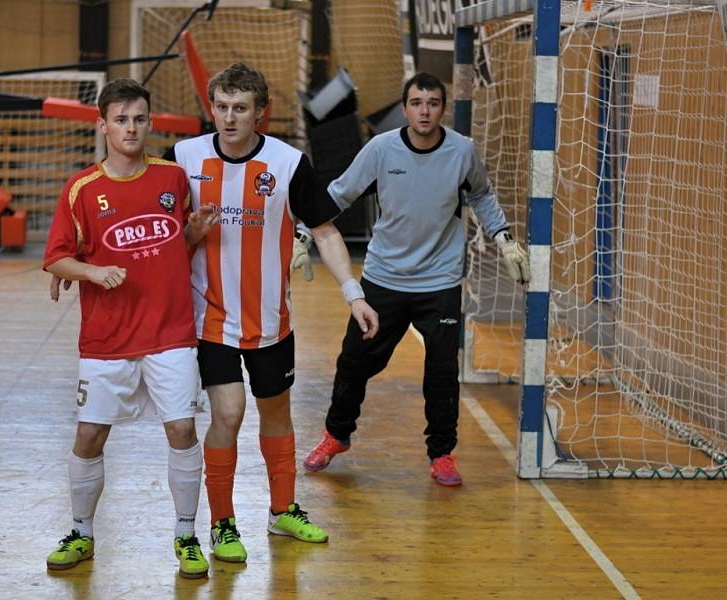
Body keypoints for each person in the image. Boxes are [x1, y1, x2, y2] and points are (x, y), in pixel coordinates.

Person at [164, 63, 378, 563]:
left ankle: (283, 511)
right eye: (221, 107)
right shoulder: (183, 158)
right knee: (230, 413)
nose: (229, 118)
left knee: (276, 413)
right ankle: (221, 523)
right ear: (211, 107)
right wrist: (191, 233)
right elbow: (165, 238)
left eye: (240, 109)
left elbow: (324, 231)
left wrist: (354, 293)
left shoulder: (287, 163)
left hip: (270, 320)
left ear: (262, 113)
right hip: (208, 319)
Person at [303, 72, 530, 487]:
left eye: (433, 102)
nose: (424, 110)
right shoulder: (381, 149)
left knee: (442, 373)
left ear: (442, 109)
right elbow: (339, 193)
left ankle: (442, 453)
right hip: (384, 279)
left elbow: (480, 193)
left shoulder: (463, 151)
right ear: (405, 109)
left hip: (440, 282)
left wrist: (504, 238)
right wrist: (305, 231)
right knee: (354, 363)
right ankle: (336, 436)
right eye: (416, 102)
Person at [43, 78, 216, 579]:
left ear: (150, 122)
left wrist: (194, 233)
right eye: (120, 119)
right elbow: (56, 258)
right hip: (107, 339)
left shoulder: (173, 179)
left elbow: (177, 246)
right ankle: (81, 532)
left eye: (139, 118)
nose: (131, 128)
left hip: (171, 331)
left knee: (183, 430)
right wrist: (93, 272)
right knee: (90, 436)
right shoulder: (81, 189)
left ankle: (186, 535)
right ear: (102, 126)